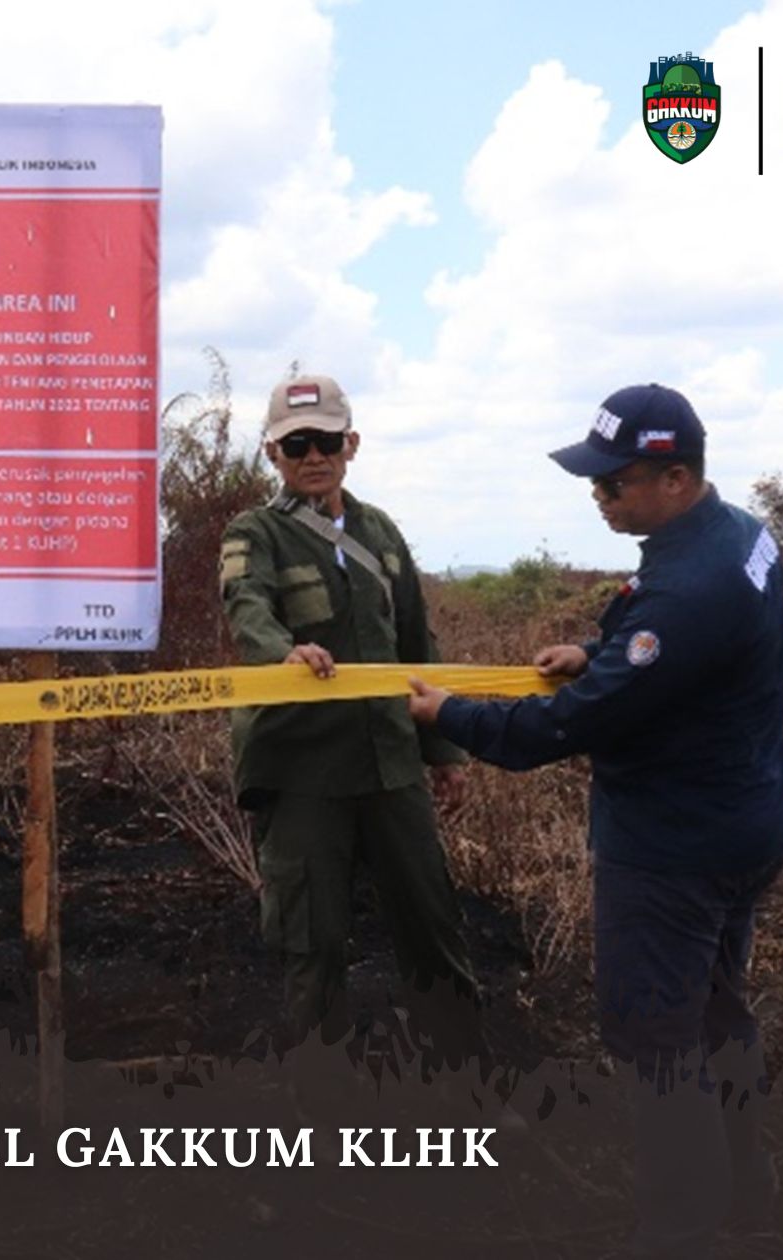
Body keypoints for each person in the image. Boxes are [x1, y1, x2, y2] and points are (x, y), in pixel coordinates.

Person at [405, 383, 783, 1256]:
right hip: (744, 821)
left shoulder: (689, 591)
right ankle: (746, 1205)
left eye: (614, 482)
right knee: (716, 1015)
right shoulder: (740, 536)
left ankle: (680, 1230)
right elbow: (680, 655)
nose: (599, 495)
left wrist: (450, 716)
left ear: (677, 477)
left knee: (660, 1041)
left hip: (674, 852)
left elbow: (568, 724)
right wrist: (600, 650)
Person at [220, 373, 484, 1075]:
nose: (313, 456)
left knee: (432, 924)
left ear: (351, 444)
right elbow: (247, 607)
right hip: (303, 770)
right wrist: (285, 653)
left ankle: (465, 1080)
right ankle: (320, 1098)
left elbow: (416, 646)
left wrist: (444, 751)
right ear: (272, 453)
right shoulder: (256, 533)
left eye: (326, 440)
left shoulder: (381, 534)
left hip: (391, 766)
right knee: (313, 942)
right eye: (295, 443)